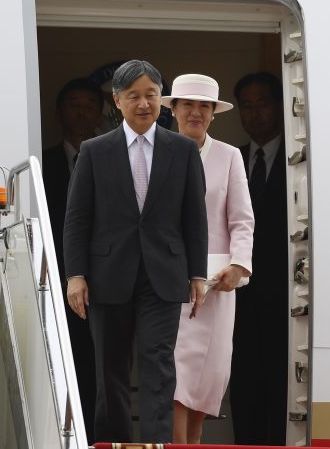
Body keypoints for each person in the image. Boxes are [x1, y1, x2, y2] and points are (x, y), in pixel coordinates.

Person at [63, 59, 208, 443]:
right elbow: (77, 218)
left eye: (151, 95)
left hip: (164, 274)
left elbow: (195, 218)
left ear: (161, 99)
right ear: (116, 100)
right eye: (134, 96)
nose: (144, 104)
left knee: (158, 365)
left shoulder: (183, 150)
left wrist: (198, 274)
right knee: (110, 368)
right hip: (107, 275)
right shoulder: (94, 151)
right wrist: (75, 275)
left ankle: (158, 442)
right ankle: (113, 441)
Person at [163, 74, 254, 443]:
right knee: (175, 375)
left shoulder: (230, 156)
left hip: (216, 285)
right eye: (188, 104)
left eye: (205, 106)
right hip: (167, 281)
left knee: (209, 376)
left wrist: (239, 264)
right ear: (173, 110)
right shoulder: (156, 152)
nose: (196, 112)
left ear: (214, 114)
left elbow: (242, 219)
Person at [41, 77, 103, 439]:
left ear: (99, 115)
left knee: (98, 371)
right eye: (73, 104)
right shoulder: (41, 159)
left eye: (89, 105)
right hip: (52, 280)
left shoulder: (116, 162)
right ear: (58, 113)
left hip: (103, 284)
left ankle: (93, 439)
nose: (81, 112)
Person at [230, 71, 289, 445]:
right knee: (244, 389)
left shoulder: (303, 162)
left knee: (281, 390)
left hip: (286, 300)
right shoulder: (232, 158)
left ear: (281, 106)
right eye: (246, 106)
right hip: (238, 300)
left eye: (262, 104)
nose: (254, 114)